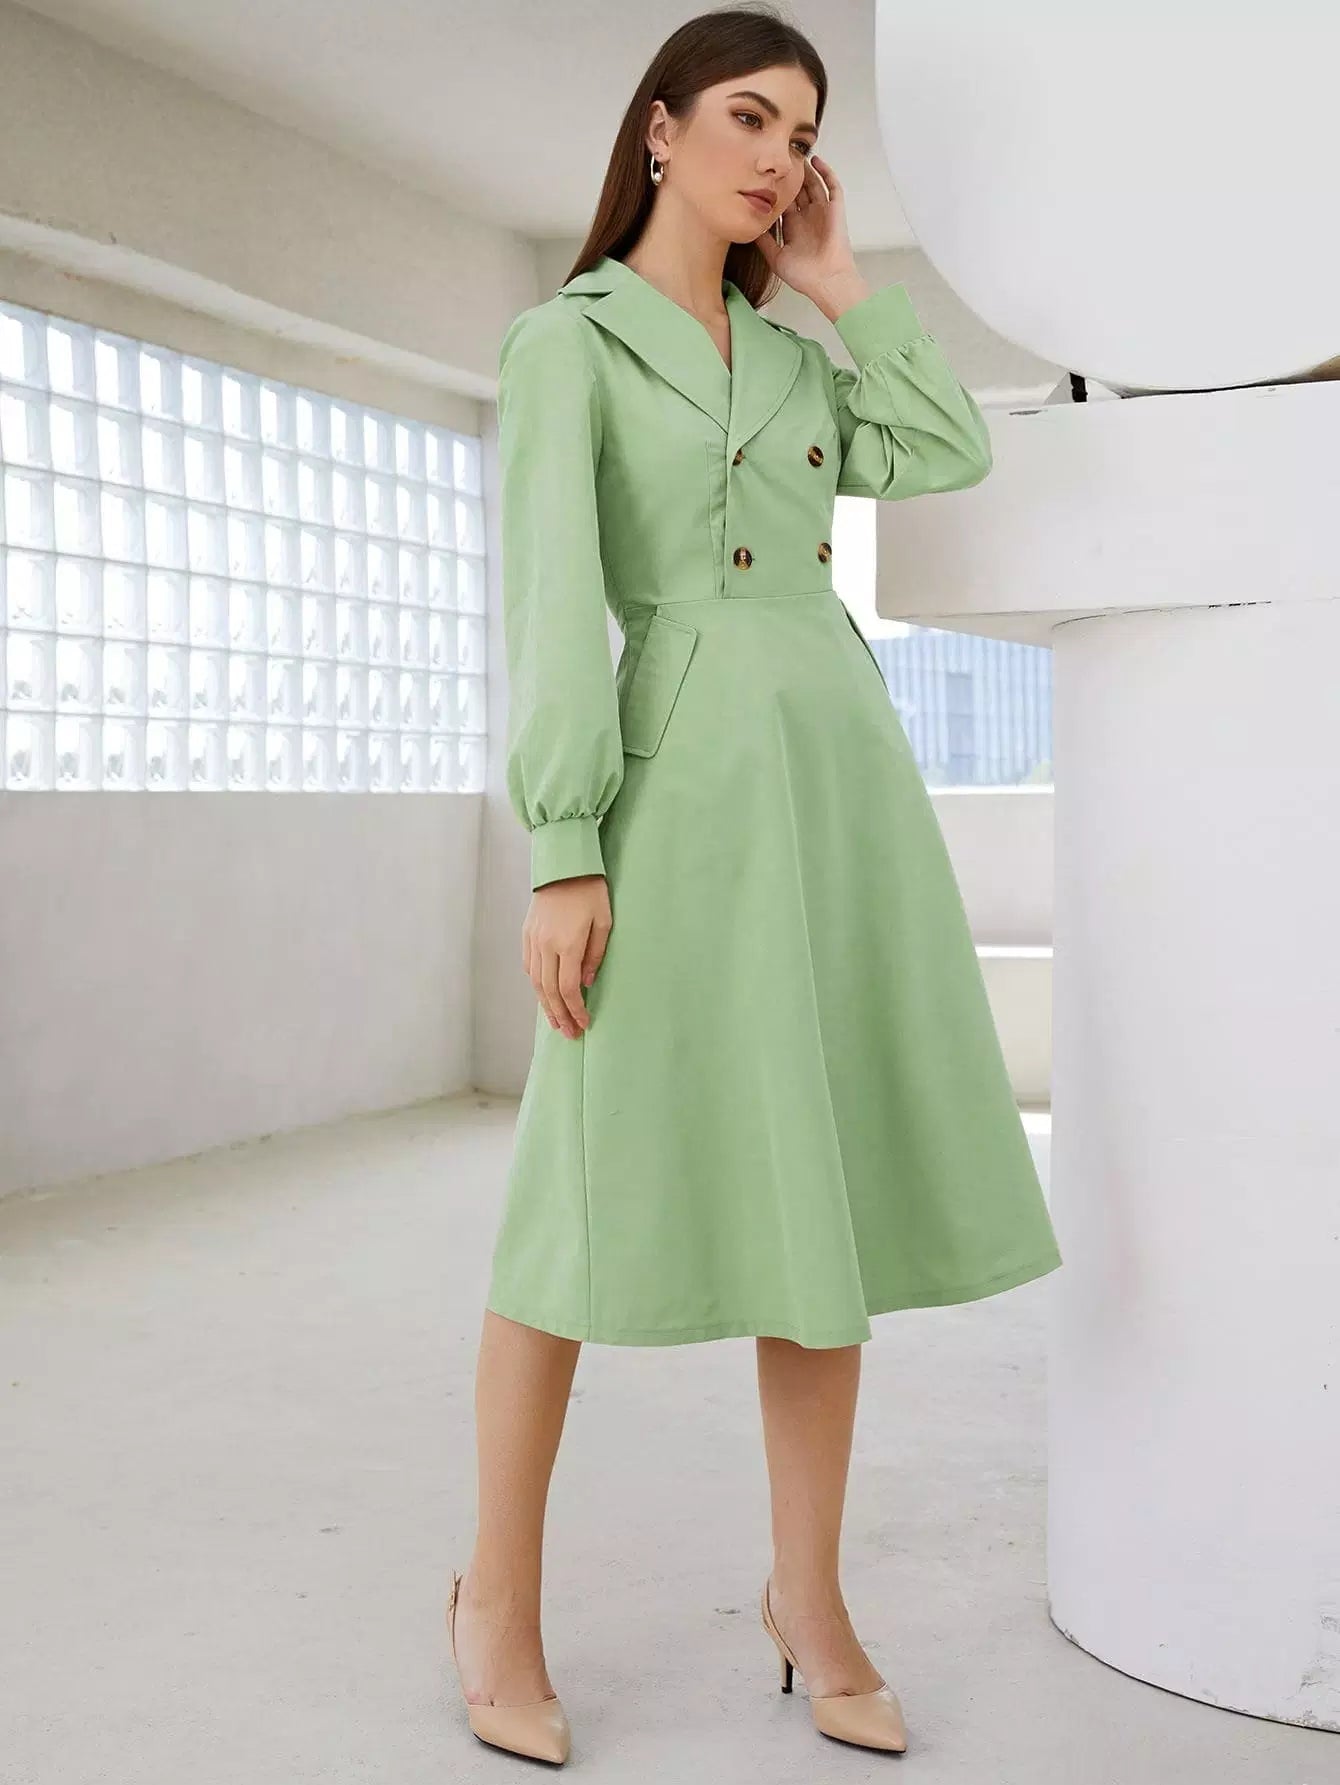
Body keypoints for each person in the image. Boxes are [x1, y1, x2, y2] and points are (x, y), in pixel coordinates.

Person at [448, 6, 1063, 1766]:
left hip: (835, 791)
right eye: (745, 116)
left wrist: (846, 287)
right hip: (673, 794)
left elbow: (944, 449)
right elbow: (552, 601)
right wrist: (565, 848)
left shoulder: (799, 362)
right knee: (569, 1202)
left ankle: (811, 1596)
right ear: (658, 129)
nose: (778, 155)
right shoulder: (565, 345)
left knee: (821, 1199)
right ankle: (496, 1595)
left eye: (800, 132)